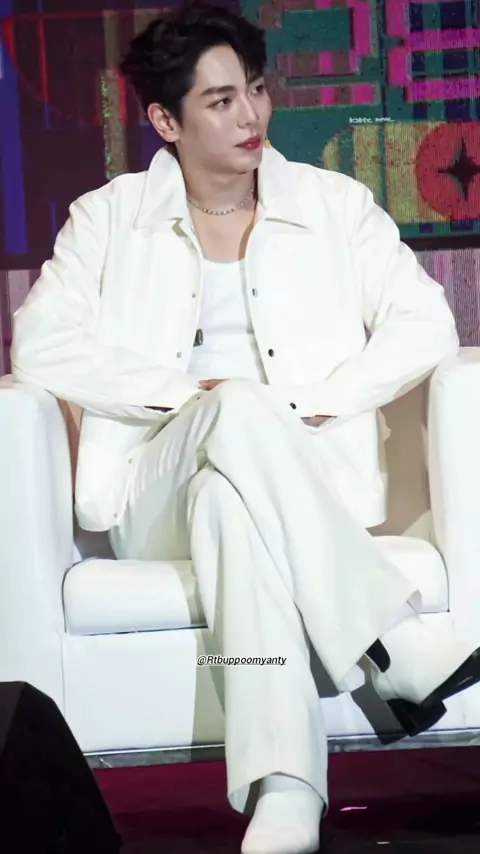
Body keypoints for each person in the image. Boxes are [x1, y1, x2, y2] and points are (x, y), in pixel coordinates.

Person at [10, 3, 480, 853]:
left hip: (297, 491)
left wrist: (311, 401)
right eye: (221, 101)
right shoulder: (109, 218)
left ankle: (286, 791)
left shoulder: (334, 206)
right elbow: (42, 343)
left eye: (256, 90)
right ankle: (393, 638)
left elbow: (426, 325)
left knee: (231, 503)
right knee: (230, 407)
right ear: (166, 121)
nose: (251, 115)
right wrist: (186, 395)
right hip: (151, 495)